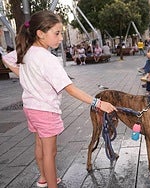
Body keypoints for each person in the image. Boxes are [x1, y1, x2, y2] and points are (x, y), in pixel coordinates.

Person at [2, 10, 116, 188]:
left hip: (31, 109)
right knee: (50, 152)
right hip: (46, 111)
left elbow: (7, 59)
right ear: (40, 34)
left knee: (39, 145)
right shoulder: (49, 60)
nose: (61, 38)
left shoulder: (27, 52)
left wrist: (25, 77)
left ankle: (43, 178)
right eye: (57, 33)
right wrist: (99, 103)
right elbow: (70, 89)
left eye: (61, 33)